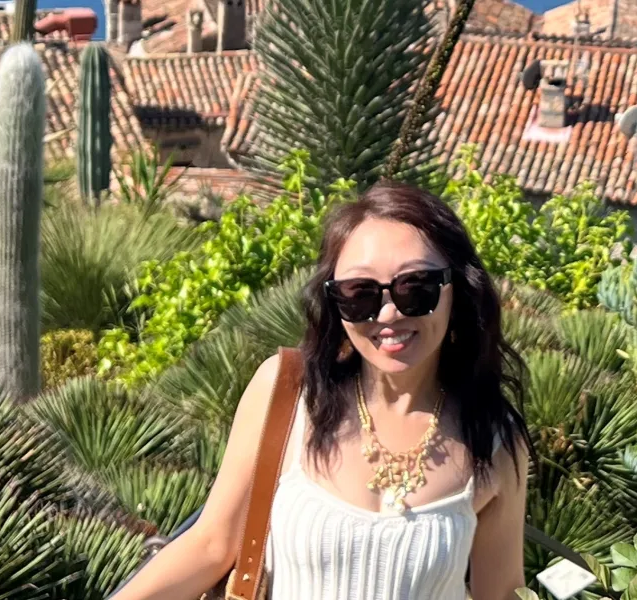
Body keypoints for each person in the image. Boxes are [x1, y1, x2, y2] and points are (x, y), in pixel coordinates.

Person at [110, 181, 531, 600]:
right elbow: (210, 547)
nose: (388, 313)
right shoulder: (289, 396)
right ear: (334, 303)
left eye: (415, 288)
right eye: (358, 294)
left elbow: (502, 593)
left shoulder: (494, 440)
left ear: (456, 289)